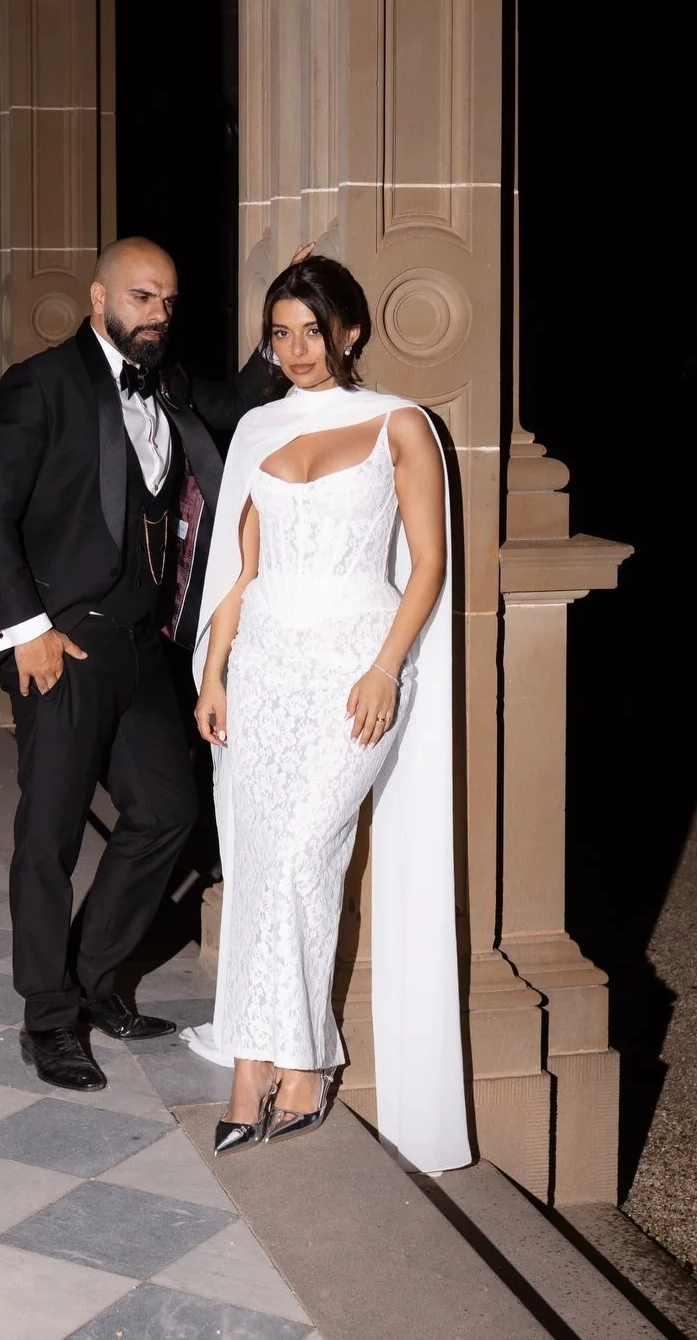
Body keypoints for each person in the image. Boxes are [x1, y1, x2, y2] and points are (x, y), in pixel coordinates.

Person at [0, 236, 286, 1093]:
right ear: (99, 298)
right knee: (50, 835)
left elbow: (241, 401)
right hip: (63, 641)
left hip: (142, 644)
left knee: (166, 815)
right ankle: (47, 1017)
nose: (158, 316)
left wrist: (283, 312)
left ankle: (94, 980)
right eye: (142, 298)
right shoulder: (42, 384)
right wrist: (23, 629)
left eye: (169, 301)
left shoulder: (168, 383)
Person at [185, 255, 472, 1173]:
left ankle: (251, 1070)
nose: (297, 349)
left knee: (307, 849)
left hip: (354, 667)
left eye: (312, 330)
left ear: (348, 330)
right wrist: (215, 672)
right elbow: (240, 566)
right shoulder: (256, 427)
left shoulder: (400, 425)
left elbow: (425, 564)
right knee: (265, 859)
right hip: (262, 669)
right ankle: (297, 1067)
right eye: (280, 332)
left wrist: (388, 666)